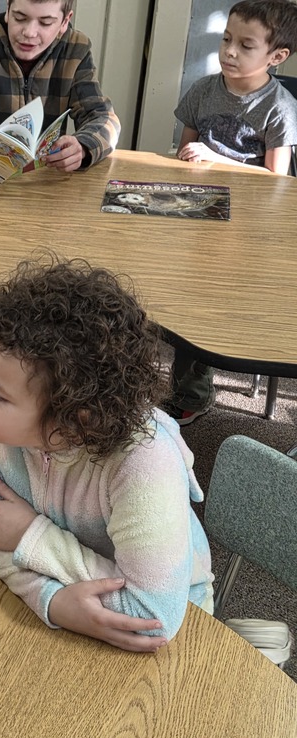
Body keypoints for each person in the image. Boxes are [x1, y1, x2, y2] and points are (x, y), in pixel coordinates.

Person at [0, 258, 214, 652]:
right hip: (62, 606)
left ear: (74, 420)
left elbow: (152, 619)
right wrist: (54, 603)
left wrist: (30, 535)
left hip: (178, 624)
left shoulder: (145, 462)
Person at [168, 0, 297, 424]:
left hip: (246, 222)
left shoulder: (278, 107)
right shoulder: (204, 89)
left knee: (201, 303)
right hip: (193, 207)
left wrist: (216, 159)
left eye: (245, 45)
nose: (229, 51)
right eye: (226, 39)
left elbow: (276, 180)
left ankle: (193, 388)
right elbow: (183, 152)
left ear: (276, 57)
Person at [0, 0, 120, 173]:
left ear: (65, 21)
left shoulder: (77, 49)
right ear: (8, 9)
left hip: (42, 186)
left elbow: (104, 119)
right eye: (20, 18)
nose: (29, 32)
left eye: (45, 23)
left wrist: (83, 147)